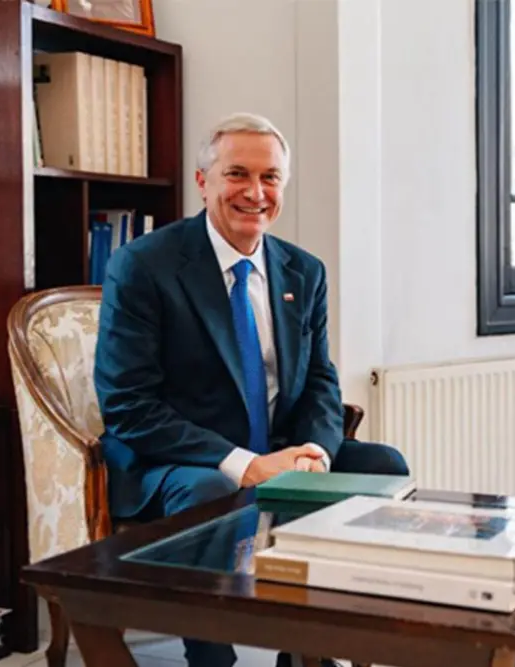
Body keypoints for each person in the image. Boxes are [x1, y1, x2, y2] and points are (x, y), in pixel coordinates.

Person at [94, 111, 409, 667]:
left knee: (383, 465)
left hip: (279, 443)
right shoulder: (143, 265)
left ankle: (313, 646)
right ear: (203, 181)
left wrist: (315, 451)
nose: (255, 193)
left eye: (270, 178)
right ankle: (212, 657)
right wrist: (242, 463)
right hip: (179, 458)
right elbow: (127, 405)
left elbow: (319, 380)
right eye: (237, 174)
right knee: (209, 491)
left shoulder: (303, 271)